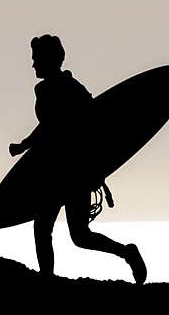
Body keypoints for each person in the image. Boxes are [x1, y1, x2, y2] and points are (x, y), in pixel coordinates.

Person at [10, 35, 147, 284]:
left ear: (48, 59)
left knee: (65, 233)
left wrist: (97, 169)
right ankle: (123, 253)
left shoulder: (65, 89)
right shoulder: (61, 88)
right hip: (66, 169)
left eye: (36, 59)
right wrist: (23, 146)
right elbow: (47, 126)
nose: (33, 65)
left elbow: (89, 126)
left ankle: (125, 253)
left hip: (66, 170)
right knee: (64, 232)